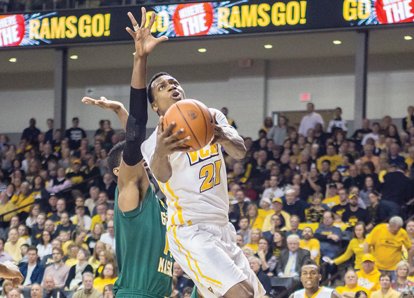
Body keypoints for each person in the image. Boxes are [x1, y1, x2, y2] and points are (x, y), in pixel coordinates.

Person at [138, 9, 265, 298]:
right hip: (190, 231)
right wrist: (162, 148)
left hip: (223, 227)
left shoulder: (210, 117)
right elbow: (161, 175)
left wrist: (219, 132)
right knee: (241, 295)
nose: (172, 86)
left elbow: (240, 151)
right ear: (155, 107)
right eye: (162, 86)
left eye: (174, 83)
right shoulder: (153, 142)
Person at [81, 8, 174, 297]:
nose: (141, 162)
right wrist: (141, 58)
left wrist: (120, 111)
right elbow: (135, 136)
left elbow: (139, 145)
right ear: (119, 172)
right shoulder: (130, 192)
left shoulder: (154, 197)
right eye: (132, 161)